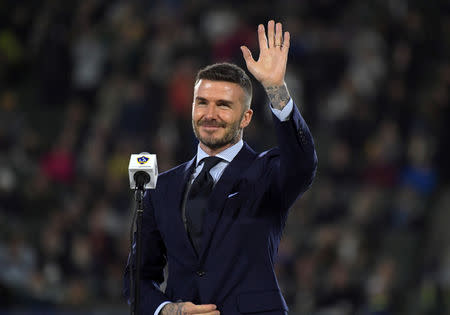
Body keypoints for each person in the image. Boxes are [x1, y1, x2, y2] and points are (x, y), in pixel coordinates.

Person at [124, 20, 318, 315]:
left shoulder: (266, 172)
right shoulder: (162, 188)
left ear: (246, 118)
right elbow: (138, 279)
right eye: (202, 103)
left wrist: (275, 88)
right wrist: (168, 310)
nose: (210, 114)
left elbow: (302, 163)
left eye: (224, 105)